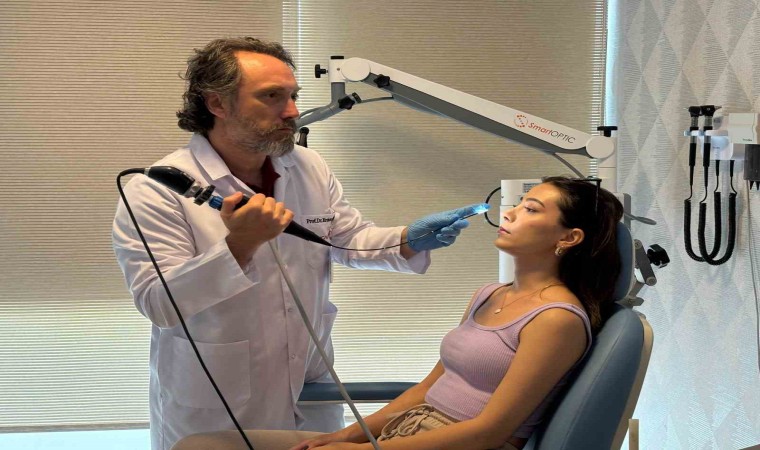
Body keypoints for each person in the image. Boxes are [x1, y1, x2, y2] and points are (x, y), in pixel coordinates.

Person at [112, 37, 482, 450]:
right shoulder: (157, 190)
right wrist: (240, 245)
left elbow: (347, 239)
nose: (291, 111)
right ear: (217, 103)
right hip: (217, 398)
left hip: (309, 385)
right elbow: (159, 304)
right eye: (272, 96)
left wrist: (407, 239)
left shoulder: (307, 165)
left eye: (293, 96)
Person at [171, 176, 624, 450]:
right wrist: (347, 436)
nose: (509, 213)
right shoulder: (490, 294)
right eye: (517, 204)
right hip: (411, 433)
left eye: (530, 209)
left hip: (459, 445)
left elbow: (489, 433)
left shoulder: (556, 319)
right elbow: (426, 391)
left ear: (569, 238)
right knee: (202, 445)